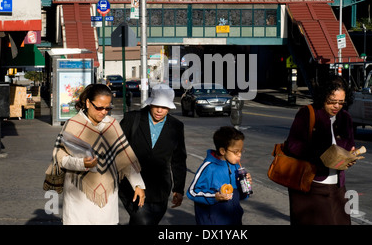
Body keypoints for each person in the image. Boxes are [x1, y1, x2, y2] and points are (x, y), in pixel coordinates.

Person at [48, 83, 145, 225]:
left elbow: (125, 157)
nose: (104, 112)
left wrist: (138, 185)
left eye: (108, 108)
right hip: (78, 200)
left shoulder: (112, 125)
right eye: (99, 107)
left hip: (107, 202)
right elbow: (60, 158)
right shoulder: (73, 124)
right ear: (88, 103)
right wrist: (82, 164)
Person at [285, 74, 356, 225]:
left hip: (337, 187)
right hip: (312, 186)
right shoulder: (308, 113)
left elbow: (349, 145)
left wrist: (350, 157)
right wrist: (319, 155)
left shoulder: (346, 118)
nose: (336, 106)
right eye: (332, 102)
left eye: (341, 102)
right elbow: (292, 145)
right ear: (323, 97)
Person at [118, 84, 187, 225]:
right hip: (131, 186)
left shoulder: (176, 126)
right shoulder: (132, 119)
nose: (160, 110)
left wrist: (178, 189)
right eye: (156, 105)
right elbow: (117, 149)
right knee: (143, 221)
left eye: (164, 107)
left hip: (160, 189)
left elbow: (178, 159)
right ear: (150, 103)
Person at [187, 126, 251, 225]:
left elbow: (239, 197)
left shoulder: (236, 167)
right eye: (235, 151)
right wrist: (215, 196)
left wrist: (245, 187)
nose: (239, 155)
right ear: (222, 151)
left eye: (241, 151)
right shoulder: (209, 167)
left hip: (233, 220)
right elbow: (192, 192)